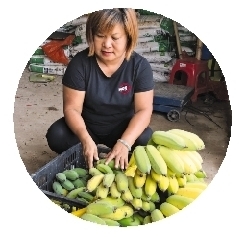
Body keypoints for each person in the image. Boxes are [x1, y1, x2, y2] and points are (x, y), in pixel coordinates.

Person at [46, 8, 154, 170]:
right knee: (57, 135)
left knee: (147, 139)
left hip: (122, 128)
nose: (107, 44)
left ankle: (121, 153)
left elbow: (144, 110)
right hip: (88, 127)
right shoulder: (80, 64)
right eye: (100, 36)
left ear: (128, 37)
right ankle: (88, 152)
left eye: (115, 38)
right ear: (91, 36)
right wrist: (85, 139)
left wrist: (125, 142)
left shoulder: (140, 67)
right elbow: (72, 109)